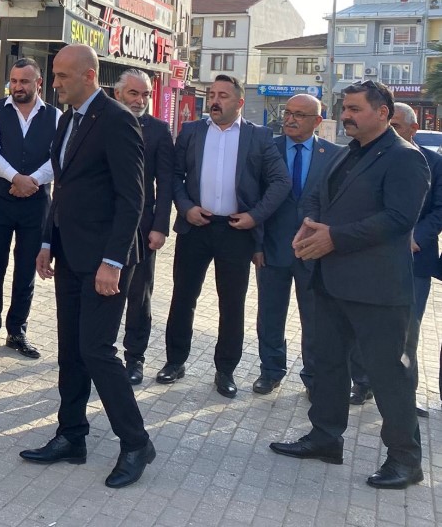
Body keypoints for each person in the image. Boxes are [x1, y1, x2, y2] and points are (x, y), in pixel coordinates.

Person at [271, 80, 428, 490]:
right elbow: (317, 196)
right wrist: (310, 225)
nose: (346, 116)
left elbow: (398, 219)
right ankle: (325, 438)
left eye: (355, 109)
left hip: (378, 289)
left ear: (383, 112)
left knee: (389, 375)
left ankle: (405, 460)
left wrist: (334, 238)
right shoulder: (347, 153)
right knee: (327, 363)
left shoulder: (405, 158)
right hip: (330, 280)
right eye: (345, 108)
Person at [18, 44, 152, 489]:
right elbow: (63, 189)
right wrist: (47, 241)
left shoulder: (117, 120)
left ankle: (136, 443)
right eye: (54, 75)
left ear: (89, 76)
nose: (54, 83)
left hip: (105, 262)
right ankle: (71, 435)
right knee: (71, 351)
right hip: (70, 255)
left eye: (62, 76)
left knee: (97, 351)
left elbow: (132, 199)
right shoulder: (68, 120)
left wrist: (113, 261)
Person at [156, 74, 289, 398]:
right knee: (183, 297)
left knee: (232, 304)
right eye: (212, 94)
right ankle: (175, 361)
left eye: (223, 96)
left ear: (239, 102)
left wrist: (254, 216)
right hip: (195, 227)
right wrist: (185, 207)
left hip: (235, 231)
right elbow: (174, 175)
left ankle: (225, 370)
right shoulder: (191, 131)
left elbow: (280, 182)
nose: (215, 101)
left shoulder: (259, 136)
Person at [252, 94, 342, 397]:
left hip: (314, 251)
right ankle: (270, 371)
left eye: (299, 115)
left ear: (317, 121)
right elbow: (254, 197)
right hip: (272, 248)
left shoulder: (334, 154)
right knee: (270, 314)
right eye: (288, 112)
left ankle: (313, 377)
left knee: (315, 318)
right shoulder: (268, 149)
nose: (290, 119)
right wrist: (257, 244)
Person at [0, 58, 58, 359]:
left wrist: (32, 181)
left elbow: (57, 158)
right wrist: (15, 178)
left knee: (26, 268)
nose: (17, 87)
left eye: (24, 81)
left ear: (39, 83)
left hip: (36, 203)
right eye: (14, 81)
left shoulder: (56, 116)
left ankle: (17, 330)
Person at [110, 69, 173, 385]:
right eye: (134, 93)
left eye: (146, 94)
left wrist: (160, 226)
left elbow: (167, 183)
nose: (140, 100)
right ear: (118, 93)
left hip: (143, 229)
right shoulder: (101, 122)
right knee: (104, 292)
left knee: (139, 295)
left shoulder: (159, 131)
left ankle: (135, 358)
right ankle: (101, 353)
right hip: (104, 224)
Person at [386, 102, 442, 415]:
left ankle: (405, 393)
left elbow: (440, 209)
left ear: (413, 128)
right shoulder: (372, 157)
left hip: (415, 259)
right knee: (366, 323)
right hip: (372, 257)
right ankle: (363, 383)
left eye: (395, 125)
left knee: (409, 328)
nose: (390, 130)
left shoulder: (434, 163)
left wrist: (416, 237)